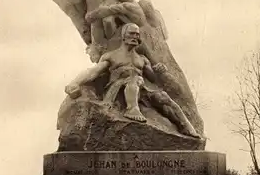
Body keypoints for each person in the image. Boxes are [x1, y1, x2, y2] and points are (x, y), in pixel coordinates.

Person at [65, 23, 200, 138]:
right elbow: (93, 72)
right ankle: (132, 110)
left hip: (140, 90)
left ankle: (186, 126)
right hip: (117, 90)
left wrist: (160, 71)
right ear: (123, 36)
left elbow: (153, 78)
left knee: (163, 97)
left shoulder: (141, 59)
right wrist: (74, 83)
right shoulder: (111, 56)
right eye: (131, 34)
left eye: (137, 34)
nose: (135, 37)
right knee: (136, 79)